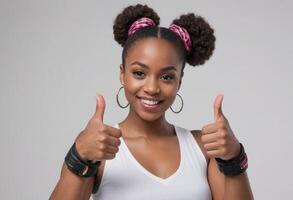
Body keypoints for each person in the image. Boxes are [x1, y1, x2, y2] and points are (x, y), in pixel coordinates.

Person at [49, 4, 254, 200]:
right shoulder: (99, 146)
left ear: (179, 82)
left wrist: (234, 158)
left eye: (167, 77)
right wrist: (79, 155)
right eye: (139, 73)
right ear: (122, 74)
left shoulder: (204, 148)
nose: (152, 88)